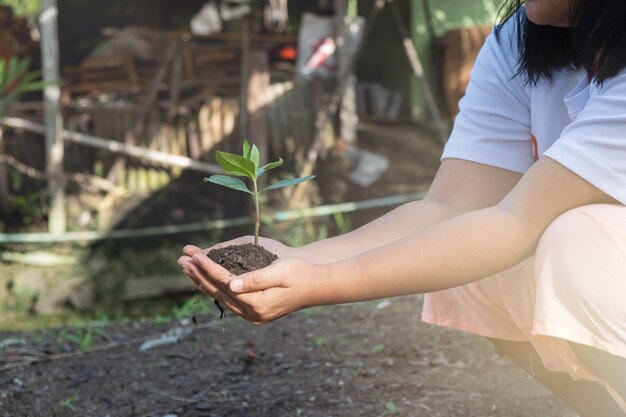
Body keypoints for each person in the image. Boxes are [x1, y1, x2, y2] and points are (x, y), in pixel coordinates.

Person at [178, 0, 626, 415]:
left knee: (573, 243)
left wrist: (321, 283)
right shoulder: (520, 40)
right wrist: (297, 259)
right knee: (467, 253)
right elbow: (452, 206)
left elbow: (516, 222)